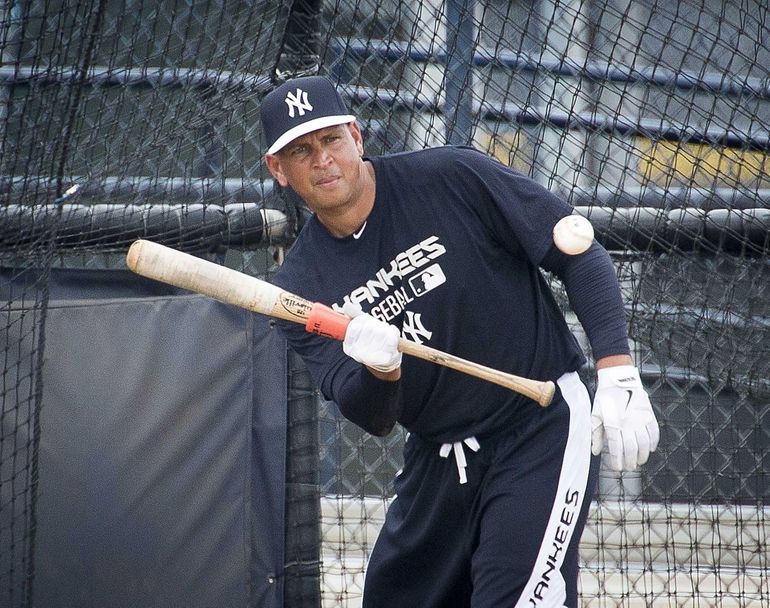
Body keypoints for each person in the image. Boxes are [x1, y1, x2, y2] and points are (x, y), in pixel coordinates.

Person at [261, 75, 659, 608]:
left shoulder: (451, 176)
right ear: (278, 170)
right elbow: (373, 417)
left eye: (330, 139)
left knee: (515, 596)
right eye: (301, 150)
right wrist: (380, 370)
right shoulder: (299, 289)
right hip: (438, 454)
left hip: (536, 423)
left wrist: (616, 370)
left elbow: (576, 250)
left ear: (357, 137)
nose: (322, 160)